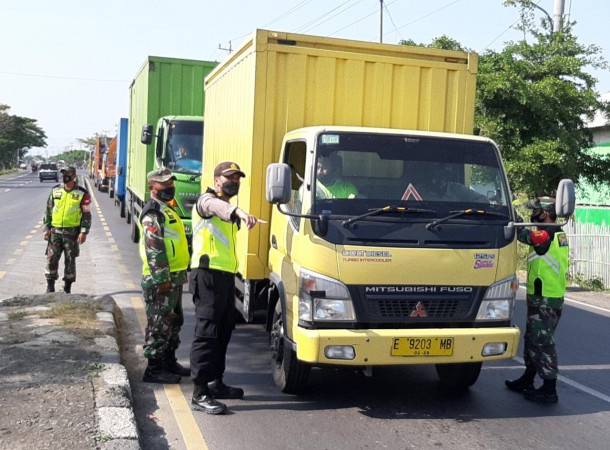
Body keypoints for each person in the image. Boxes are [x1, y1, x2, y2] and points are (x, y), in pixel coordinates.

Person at [189, 161, 258, 415]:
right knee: (206, 333)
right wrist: (238, 211)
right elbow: (213, 206)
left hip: (225, 276)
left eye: (238, 179)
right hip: (206, 274)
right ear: (217, 180)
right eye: (229, 178)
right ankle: (199, 394)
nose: (234, 182)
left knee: (223, 331)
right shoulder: (206, 201)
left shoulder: (225, 209)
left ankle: (215, 383)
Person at [505, 196, 569, 403]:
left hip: (546, 298)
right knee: (532, 339)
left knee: (542, 342)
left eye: (536, 211)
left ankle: (550, 389)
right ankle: (528, 379)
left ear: (546, 213)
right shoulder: (557, 232)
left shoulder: (548, 233)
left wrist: (513, 217)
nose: (533, 214)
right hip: (543, 296)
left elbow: (525, 235)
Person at [139, 168, 191, 384]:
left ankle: (168, 361)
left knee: (173, 321)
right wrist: (161, 278)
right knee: (159, 323)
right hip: (160, 278)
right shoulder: (153, 213)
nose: (169, 187)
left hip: (174, 275)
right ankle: (154, 368)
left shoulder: (167, 209)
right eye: (164, 184)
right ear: (152, 187)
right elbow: (154, 247)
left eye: (171, 183)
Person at [43, 166, 91, 294]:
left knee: (70, 261)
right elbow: (48, 211)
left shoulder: (82, 193)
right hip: (55, 232)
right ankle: (50, 287)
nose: (65, 176)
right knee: (51, 259)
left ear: (74, 176)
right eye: (63, 174)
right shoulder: (56, 191)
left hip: (72, 234)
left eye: (68, 174)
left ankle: (67, 288)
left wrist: (84, 231)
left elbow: (86, 214)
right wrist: (46, 228)